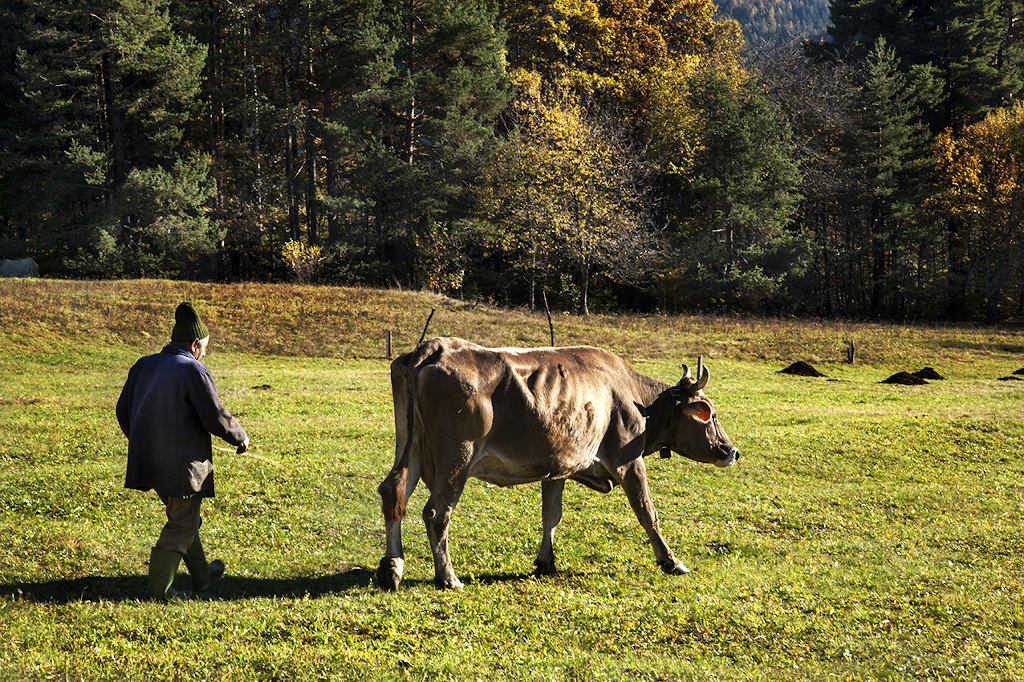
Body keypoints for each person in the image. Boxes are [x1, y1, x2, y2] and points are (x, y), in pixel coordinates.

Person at [116, 302, 250, 601]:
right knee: (183, 521)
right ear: (194, 344)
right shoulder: (193, 369)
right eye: (204, 347)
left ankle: (202, 574)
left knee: (182, 516)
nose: (204, 352)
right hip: (181, 465)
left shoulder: (143, 364)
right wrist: (239, 436)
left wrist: (141, 441)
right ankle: (158, 591)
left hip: (147, 460)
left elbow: (122, 410)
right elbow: (213, 415)